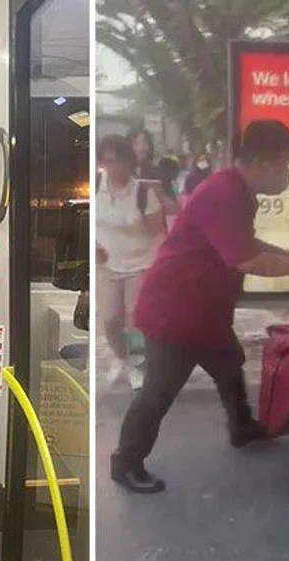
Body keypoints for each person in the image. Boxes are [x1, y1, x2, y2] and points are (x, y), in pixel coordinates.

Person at [110, 119, 289, 493]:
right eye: (285, 164)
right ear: (263, 162)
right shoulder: (224, 193)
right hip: (175, 313)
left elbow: (248, 244)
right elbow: (246, 259)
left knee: (230, 363)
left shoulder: (239, 192)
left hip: (203, 312)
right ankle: (126, 462)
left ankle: (242, 428)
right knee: (158, 391)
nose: (288, 173)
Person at [96, 135, 166, 389]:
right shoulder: (95, 186)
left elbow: (159, 232)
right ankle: (120, 357)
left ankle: (138, 364)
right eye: (106, 161)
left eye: (117, 161)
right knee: (110, 319)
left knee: (135, 318)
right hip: (106, 265)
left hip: (139, 263)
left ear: (128, 162)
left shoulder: (142, 193)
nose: (112, 167)